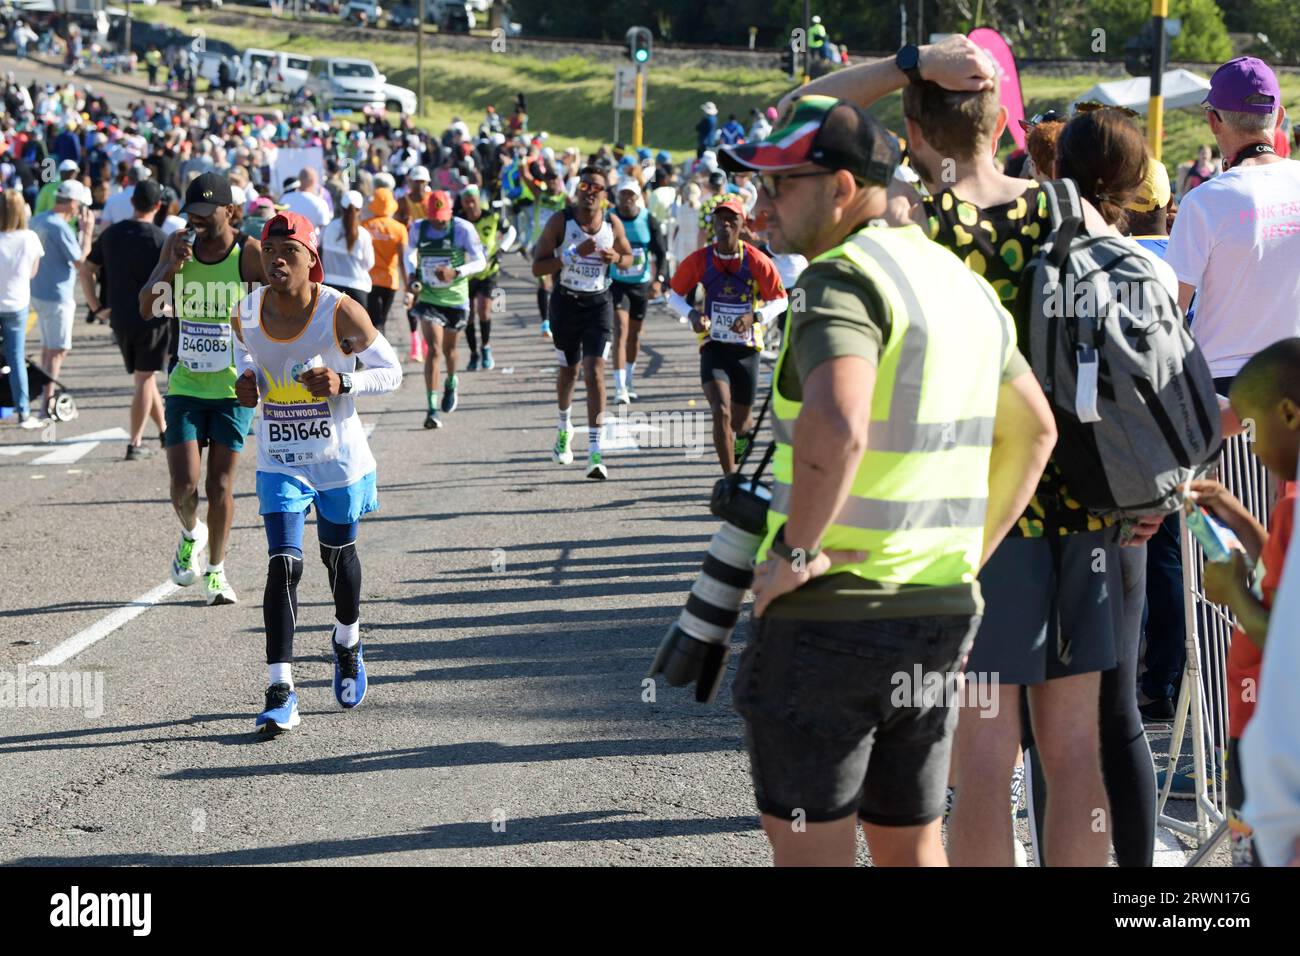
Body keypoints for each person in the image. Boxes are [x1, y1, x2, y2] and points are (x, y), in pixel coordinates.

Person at [806, 35, 1149, 865]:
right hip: (1080, 500)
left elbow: (808, 112)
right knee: (1075, 755)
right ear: (1002, 122)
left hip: (976, 513)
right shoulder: (1065, 207)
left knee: (984, 764)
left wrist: (905, 62)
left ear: (916, 134)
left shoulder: (918, 216)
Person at [722, 97, 1055, 867]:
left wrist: (798, 554)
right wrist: (966, 556)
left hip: (831, 613)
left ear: (842, 188)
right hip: (938, 608)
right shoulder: (959, 283)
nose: (762, 204)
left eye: (781, 185)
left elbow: (838, 427)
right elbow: (1035, 430)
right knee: (911, 845)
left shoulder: (838, 281)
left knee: (812, 849)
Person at [232, 210, 402, 733]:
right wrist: (243, 381)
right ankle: (280, 689)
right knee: (283, 565)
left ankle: (347, 640)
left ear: (313, 261)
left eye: (289, 252)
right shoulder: (245, 312)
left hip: (336, 460)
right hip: (279, 459)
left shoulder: (340, 313)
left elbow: (391, 372)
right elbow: (244, 360)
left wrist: (344, 384)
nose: (277, 260)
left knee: (337, 557)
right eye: (269, 252)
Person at [139, 172, 268, 606]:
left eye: (204, 213)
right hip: (187, 385)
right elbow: (148, 307)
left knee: (221, 486)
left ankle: (216, 571)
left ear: (230, 211)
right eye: (190, 213)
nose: (195, 221)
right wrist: (168, 265)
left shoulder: (248, 255)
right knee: (183, 484)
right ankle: (191, 533)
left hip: (233, 390)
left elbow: (274, 309)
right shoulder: (179, 246)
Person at [1194, 340, 1300, 865]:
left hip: (1270, 726)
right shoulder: (1289, 504)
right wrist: (1233, 512)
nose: (1251, 449)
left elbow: (1285, 636)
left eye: (1254, 430)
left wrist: (1232, 590)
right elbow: (1279, 570)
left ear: (1290, 414)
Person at [1166, 56, 1300, 394]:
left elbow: (1170, 312)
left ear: (1213, 121)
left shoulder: (1202, 202)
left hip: (1224, 386)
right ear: (1279, 117)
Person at [668, 194, 785, 473]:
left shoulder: (756, 260)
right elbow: (673, 295)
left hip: (746, 348)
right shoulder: (701, 259)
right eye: (720, 219)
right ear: (714, 224)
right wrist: (693, 314)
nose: (725, 225)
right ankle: (729, 477)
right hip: (714, 345)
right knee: (721, 410)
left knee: (740, 423)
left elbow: (781, 300)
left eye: (732, 219)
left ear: (742, 223)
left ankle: (742, 438)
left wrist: (754, 317)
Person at [532, 166, 634, 480]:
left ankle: (595, 453)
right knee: (569, 371)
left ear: (605, 194)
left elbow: (629, 256)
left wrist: (616, 259)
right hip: (565, 303)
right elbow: (537, 266)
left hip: (599, 304)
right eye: (586, 185)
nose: (590, 191)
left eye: (597, 187)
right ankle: (564, 427)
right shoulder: (561, 221)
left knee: (595, 371)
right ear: (578, 189)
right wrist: (572, 255)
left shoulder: (612, 222)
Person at [81, 179, 167, 460]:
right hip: (151, 318)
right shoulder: (160, 239)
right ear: (158, 205)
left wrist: (96, 307)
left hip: (119, 318)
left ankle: (166, 431)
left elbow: (87, 270)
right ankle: (136, 442)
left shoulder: (112, 234)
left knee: (146, 375)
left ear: (132, 202)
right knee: (145, 377)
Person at [406, 189, 485, 429]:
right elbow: (409, 253)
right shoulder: (419, 228)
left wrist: (456, 272)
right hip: (429, 298)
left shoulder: (462, 229)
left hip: (455, 299)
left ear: (450, 211)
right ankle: (431, 410)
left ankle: (451, 381)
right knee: (434, 349)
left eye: (442, 216)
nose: (438, 221)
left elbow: (480, 261)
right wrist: (411, 274)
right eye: (433, 216)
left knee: (450, 350)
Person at [29, 179, 93, 415]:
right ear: (72, 203)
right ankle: (47, 404)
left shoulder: (38, 219)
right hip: (57, 296)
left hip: (39, 292)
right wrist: (86, 234)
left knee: (49, 348)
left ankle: (45, 400)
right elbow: (81, 263)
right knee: (57, 351)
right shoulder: (60, 227)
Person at [608, 179, 667, 404]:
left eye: (631, 195)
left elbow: (661, 253)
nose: (627, 200)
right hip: (616, 282)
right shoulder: (609, 218)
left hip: (640, 284)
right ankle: (619, 386)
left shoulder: (648, 220)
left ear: (638, 197)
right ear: (618, 197)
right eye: (623, 195)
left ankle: (630, 379)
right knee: (620, 330)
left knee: (634, 334)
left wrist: (658, 281)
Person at [457, 184, 515, 372]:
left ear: (478, 201)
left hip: (488, 271)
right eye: (466, 202)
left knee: (484, 308)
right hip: (466, 274)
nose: (470, 205)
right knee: (469, 314)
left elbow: (511, 232)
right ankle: (474, 353)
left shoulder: (492, 216)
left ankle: (486, 347)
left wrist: (502, 249)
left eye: (473, 201)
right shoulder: (459, 221)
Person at [0, 188, 45, 429]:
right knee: (16, 358)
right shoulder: (29, 238)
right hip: (17, 303)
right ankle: (23, 411)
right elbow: (32, 272)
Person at [395, 165, 432, 363]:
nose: (418, 186)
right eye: (415, 182)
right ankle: (415, 340)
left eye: (421, 182)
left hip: (429, 255)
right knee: (411, 296)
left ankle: (426, 339)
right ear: (409, 183)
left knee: (426, 297)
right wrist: (404, 221)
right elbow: (396, 226)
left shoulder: (433, 200)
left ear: (426, 183)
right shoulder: (402, 201)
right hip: (410, 255)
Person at [362, 187, 408, 340]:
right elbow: (403, 260)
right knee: (382, 320)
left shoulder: (364, 225)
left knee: (372, 320)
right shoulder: (400, 228)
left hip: (369, 280)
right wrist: (408, 285)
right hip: (390, 280)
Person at [320, 189, 374, 306]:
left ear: (341, 207)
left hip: (331, 286)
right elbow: (369, 263)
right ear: (360, 210)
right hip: (358, 287)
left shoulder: (329, 228)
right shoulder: (364, 234)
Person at [280, 166, 332, 239]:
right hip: (310, 246)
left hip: (287, 244)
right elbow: (325, 231)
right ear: (313, 181)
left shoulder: (285, 198)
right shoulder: (320, 203)